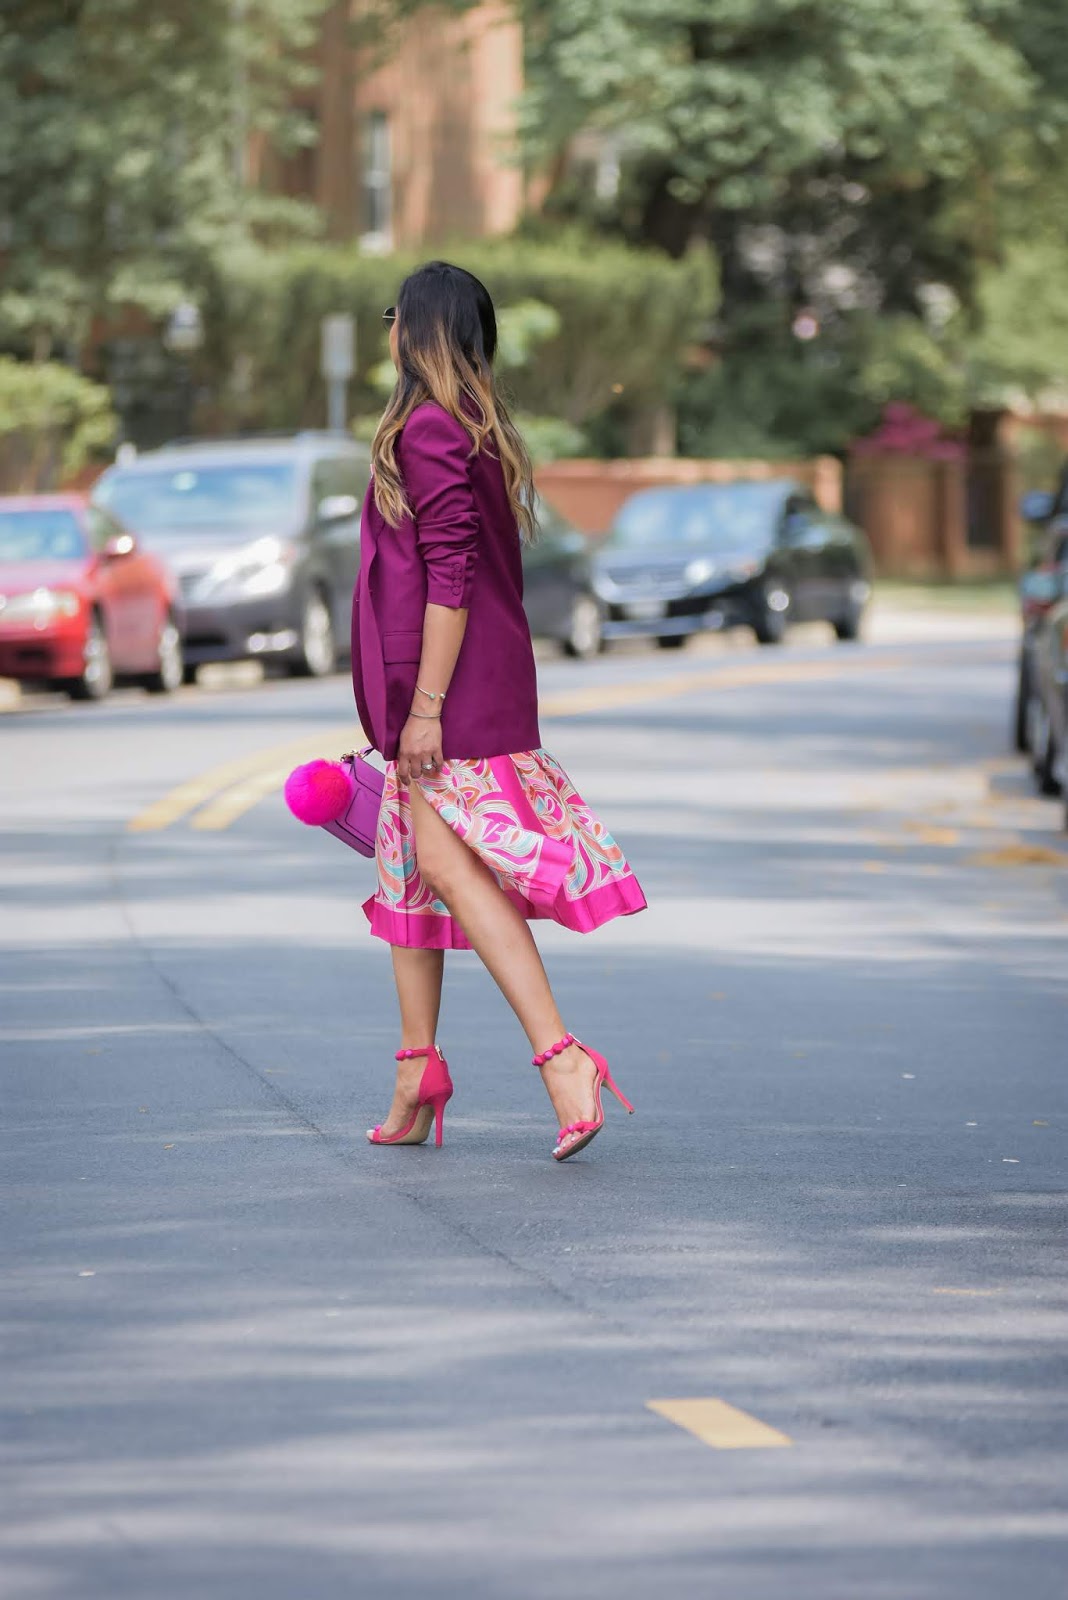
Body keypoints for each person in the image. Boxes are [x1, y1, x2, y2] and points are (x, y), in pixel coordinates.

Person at [351, 260, 646, 1161]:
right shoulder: (463, 426)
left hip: (451, 694)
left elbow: (450, 579)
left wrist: (428, 708)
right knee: (411, 868)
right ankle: (416, 1071)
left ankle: (561, 1056)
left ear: (415, 329)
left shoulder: (432, 431)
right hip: (447, 689)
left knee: (437, 861)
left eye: (393, 316)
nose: (387, 330)